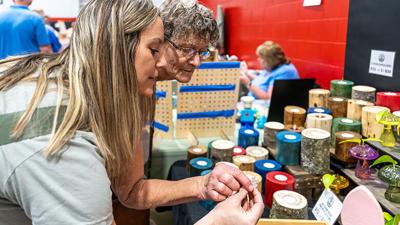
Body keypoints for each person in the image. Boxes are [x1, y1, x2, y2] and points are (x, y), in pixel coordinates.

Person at [0, 1, 264, 225]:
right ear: (116, 46)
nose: (161, 61)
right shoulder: (61, 141)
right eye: (154, 49)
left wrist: (202, 185)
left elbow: (132, 189)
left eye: (202, 52)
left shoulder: (101, 89)